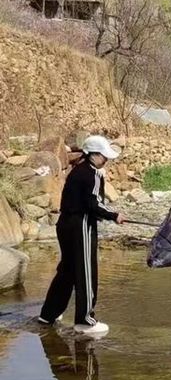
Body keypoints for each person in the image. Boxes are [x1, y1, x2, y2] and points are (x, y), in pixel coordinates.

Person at [39, 135, 125, 336]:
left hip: (64, 224)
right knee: (86, 271)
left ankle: (48, 314)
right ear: (93, 155)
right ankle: (85, 320)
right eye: (104, 156)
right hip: (81, 225)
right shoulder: (92, 174)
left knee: (67, 270)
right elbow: (94, 204)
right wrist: (114, 215)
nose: (106, 160)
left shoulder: (77, 171)